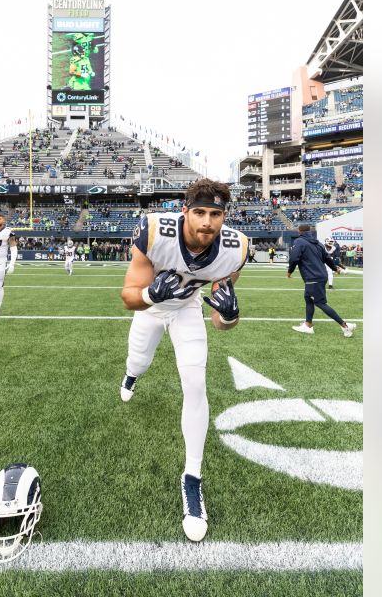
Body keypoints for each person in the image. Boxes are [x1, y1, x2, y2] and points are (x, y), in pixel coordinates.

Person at [118, 178, 247, 543]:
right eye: (201, 212)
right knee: (138, 361)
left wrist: (232, 315)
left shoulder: (235, 250)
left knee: (195, 383)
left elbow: (221, 322)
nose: (207, 222)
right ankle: (131, 376)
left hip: (187, 309)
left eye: (216, 214)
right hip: (151, 307)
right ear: (185, 211)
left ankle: (192, 478)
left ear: (225, 216)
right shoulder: (155, 230)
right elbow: (128, 296)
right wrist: (149, 293)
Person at [287, 224, 356, 337]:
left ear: (299, 231)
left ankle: (345, 326)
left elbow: (294, 258)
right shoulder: (318, 243)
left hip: (312, 277)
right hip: (320, 275)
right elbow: (327, 258)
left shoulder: (299, 242)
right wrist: (335, 268)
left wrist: (290, 271)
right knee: (308, 298)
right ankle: (308, 325)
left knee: (320, 302)